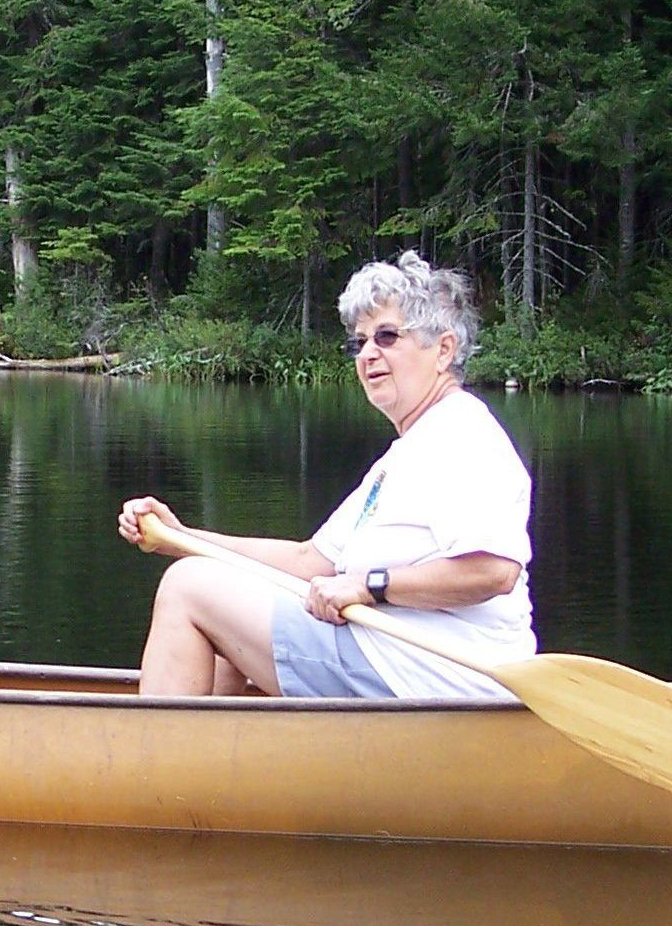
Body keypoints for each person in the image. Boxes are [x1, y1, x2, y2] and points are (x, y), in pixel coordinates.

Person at [117, 250, 534, 699]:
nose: (369, 353)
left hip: (435, 677)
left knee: (188, 589)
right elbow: (308, 562)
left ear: (443, 350)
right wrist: (181, 538)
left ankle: (153, 761)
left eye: (388, 337)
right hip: (390, 663)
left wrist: (370, 586)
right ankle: (209, 761)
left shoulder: (462, 434)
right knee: (214, 591)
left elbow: (493, 571)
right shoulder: (405, 454)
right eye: (360, 342)